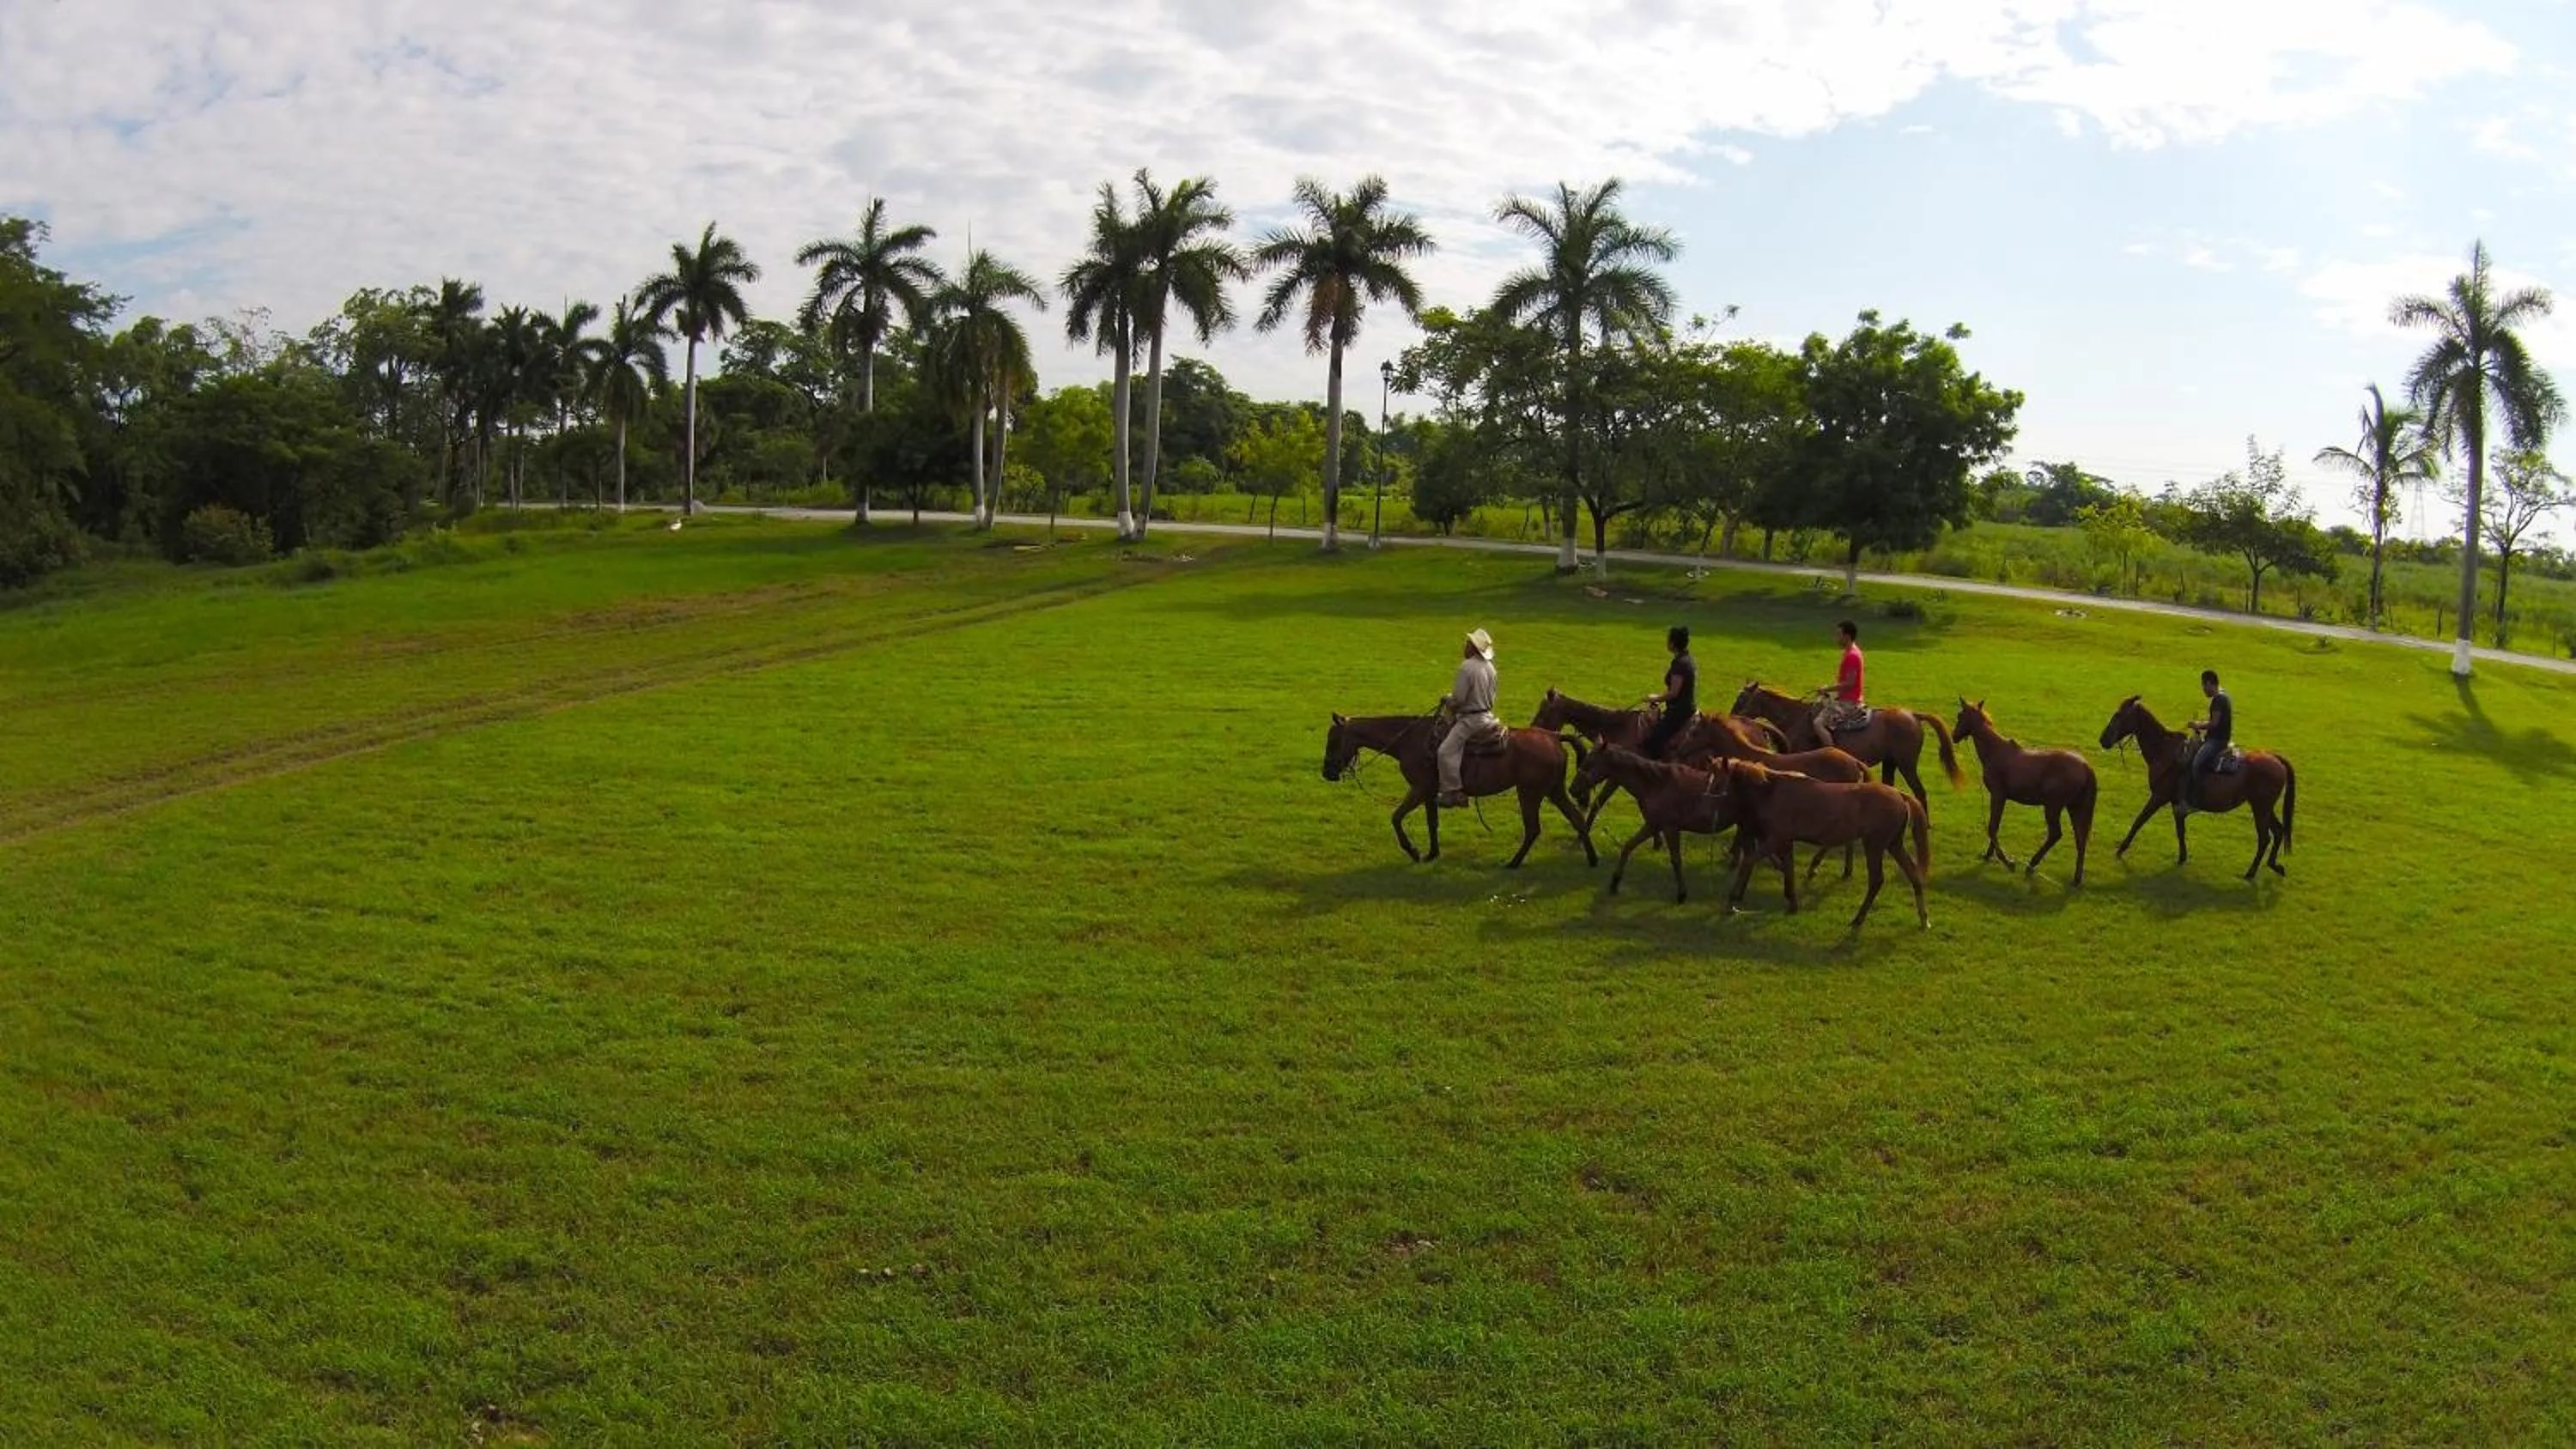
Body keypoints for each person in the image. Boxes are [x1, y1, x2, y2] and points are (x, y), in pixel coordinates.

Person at [1437, 627, 1502, 806]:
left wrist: (1447, 699)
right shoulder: (1491, 668)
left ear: (1473, 648)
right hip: (1488, 716)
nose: (1464, 647)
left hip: (1471, 721)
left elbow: (1458, 700)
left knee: (1445, 751)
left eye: (1467, 644)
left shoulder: (1467, 667)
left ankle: (1452, 791)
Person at [1640, 625, 1698, 758]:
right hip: (1682, 708)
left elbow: (1673, 693)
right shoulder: (1686, 659)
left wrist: (1654, 698)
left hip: (1679, 712)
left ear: (1673, 644)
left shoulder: (1680, 664)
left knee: (1653, 741)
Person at [2184, 667, 2232, 811]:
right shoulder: (2224, 696)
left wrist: (2197, 724)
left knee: (2197, 763)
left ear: (2211, 683)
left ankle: (2196, 801)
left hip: (2217, 741)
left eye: (2204, 685)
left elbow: (2214, 723)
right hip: (2217, 738)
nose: (2203, 689)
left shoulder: (2218, 700)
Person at [1812, 619, 1866, 743]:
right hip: (1845, 699)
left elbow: (1850, 683)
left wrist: (1826, 689)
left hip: (1849, 703)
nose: (1836, 638)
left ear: (1847, 636)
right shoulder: (1850, 652)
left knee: (1818, 723)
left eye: (1838, 635)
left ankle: (1831, 754)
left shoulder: (1852, 656)